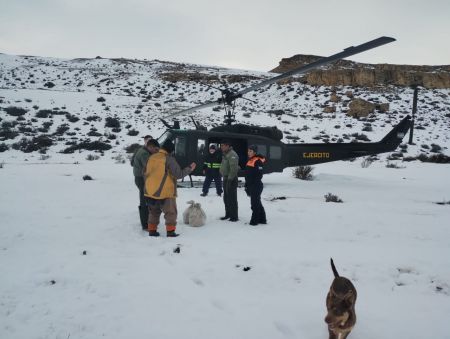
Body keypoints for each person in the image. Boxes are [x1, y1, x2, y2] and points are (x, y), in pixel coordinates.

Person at [144, 139, 196, 237]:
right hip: (165, 192)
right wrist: (190, 168)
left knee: (153, 212)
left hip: (150, 191)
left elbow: (144, 172)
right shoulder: (168, 159)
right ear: (170, 150)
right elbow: (178, 174)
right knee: (171, 212)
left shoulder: (151, 157)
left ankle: (152, 231)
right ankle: (170, 232)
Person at [130, 135, 154, 230]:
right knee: (144, 200)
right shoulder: (144, 153)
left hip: (139, 177)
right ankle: (145, 224)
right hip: (141, 178)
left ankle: (147, 221)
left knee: (145, 198)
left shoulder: (142, 151)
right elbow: (148, 167)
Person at [244, 145, 267, 226]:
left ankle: (254, 221)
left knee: (254, 204)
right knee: (257, 203)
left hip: (256, 185)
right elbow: (248, 175)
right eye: (248, 151)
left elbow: (259, 175)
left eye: (250, 151)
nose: (248, 152)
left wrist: (252, 185)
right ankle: (262, 219)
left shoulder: (257, 161)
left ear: (254, 152)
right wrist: (247, 185)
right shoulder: (250, 160)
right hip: (251, 185)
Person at [219, 140, 239, 222]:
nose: (221, 147)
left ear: (227, 146)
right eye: (221, 145)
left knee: (232, 198)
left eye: (223, 145)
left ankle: (234, 216)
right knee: (226, 198)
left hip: (231, 179)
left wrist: (230, 179)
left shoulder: (232, 154)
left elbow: (233, 169)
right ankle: (228, 214)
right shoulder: (226, 154)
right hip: (226, 178)